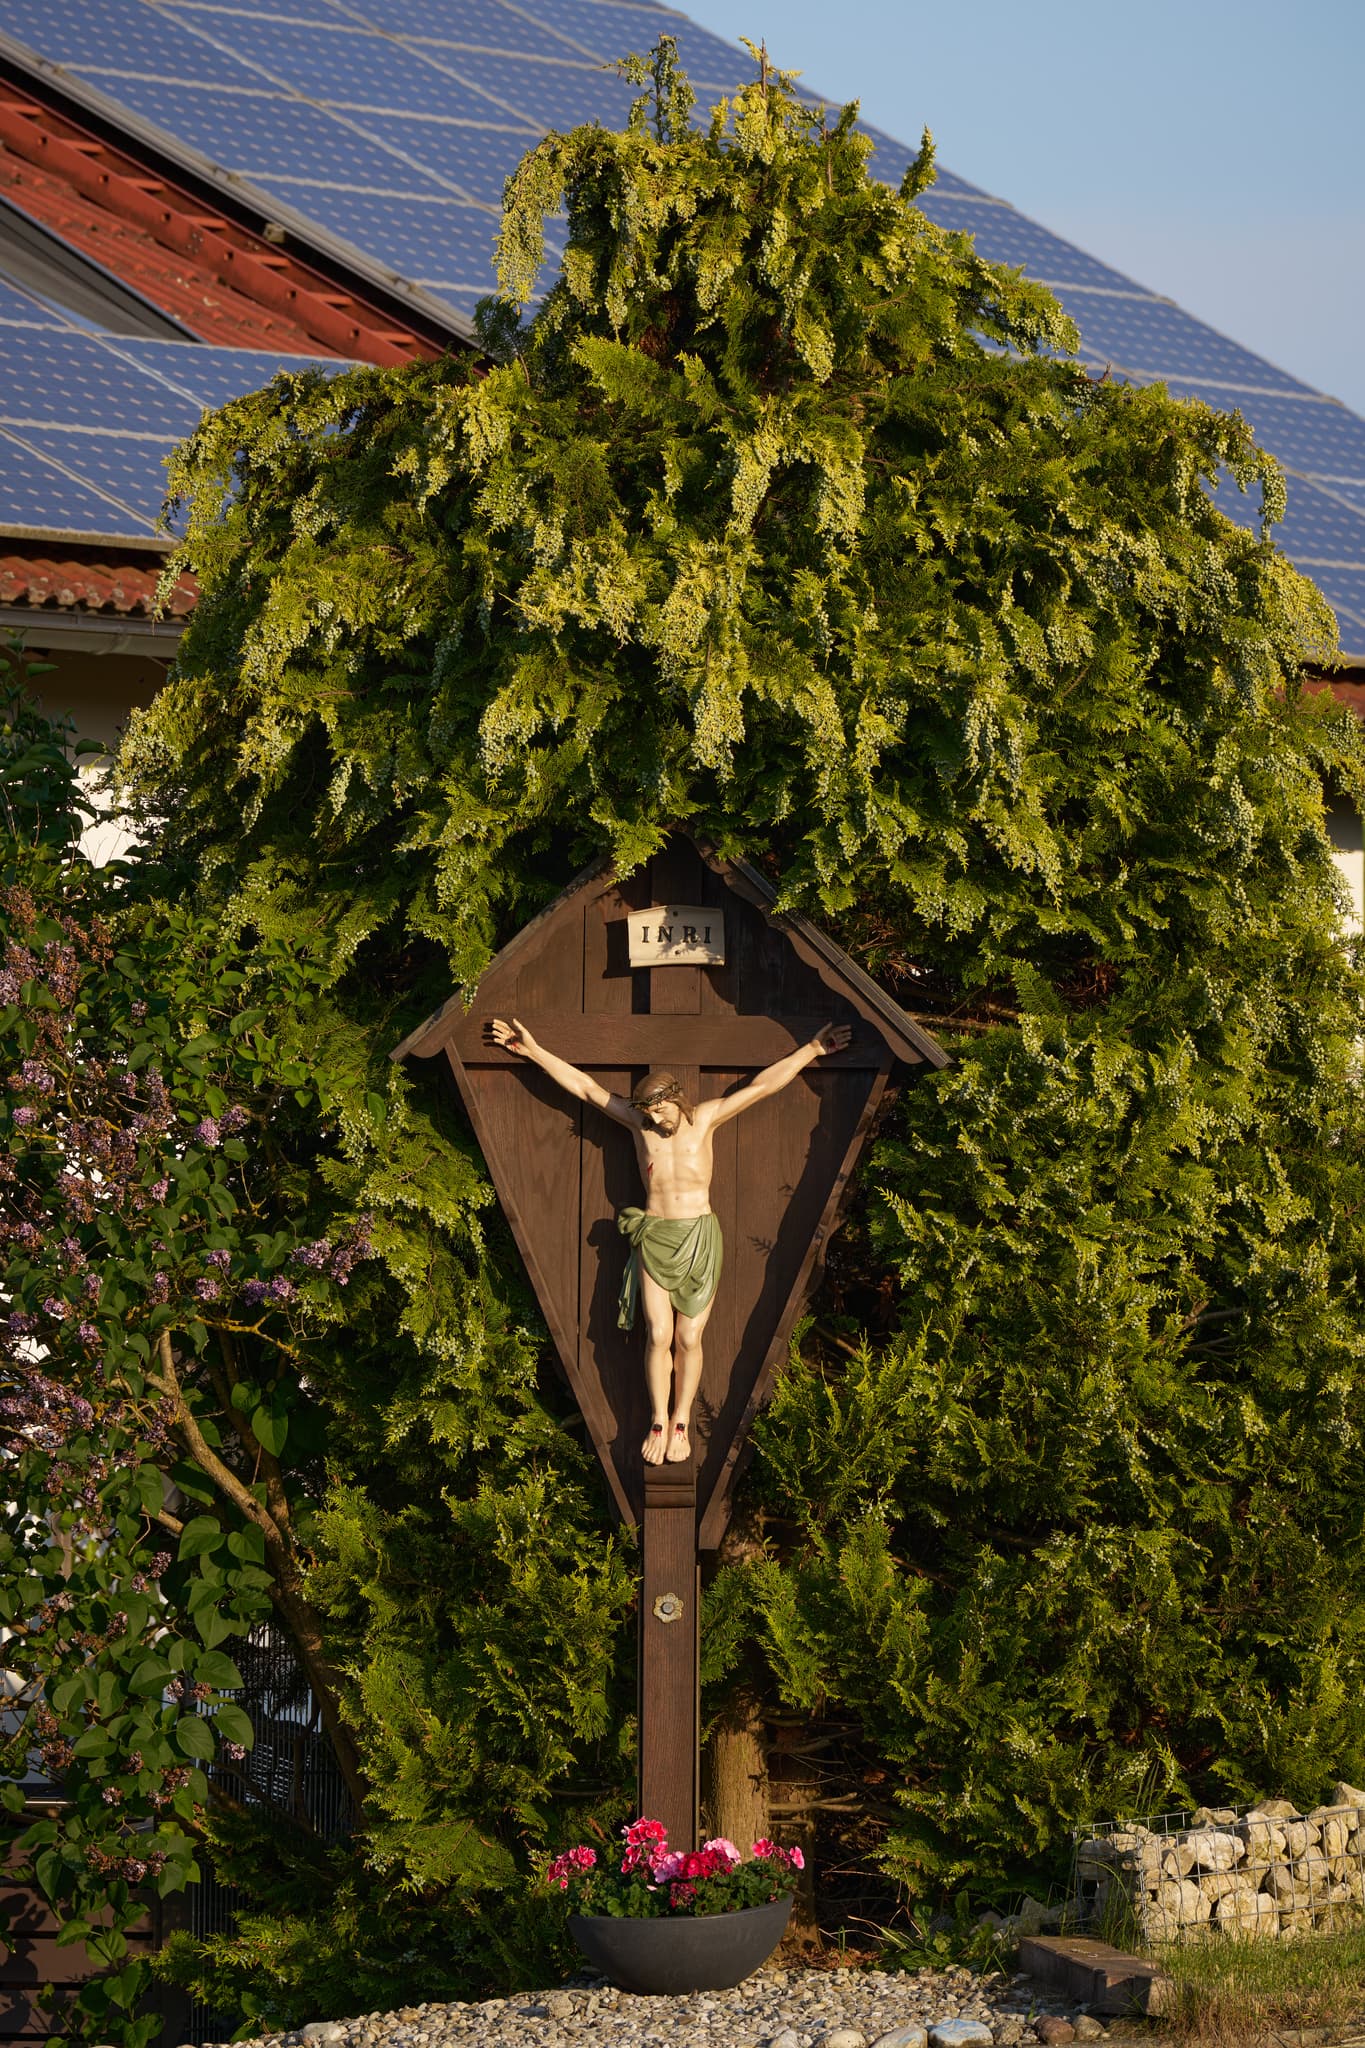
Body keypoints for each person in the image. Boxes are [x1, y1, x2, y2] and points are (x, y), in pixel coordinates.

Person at [486, 1015, 852, 1464]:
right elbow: (585, 1088)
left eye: (660, 1111)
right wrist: (533, 1050)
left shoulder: (707, 1119)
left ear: (675, 1100)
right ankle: (658, 1418)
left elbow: (762, 1087)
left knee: (690, 1338)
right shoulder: (640, 1127)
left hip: (699, 1236)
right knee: (659, 1334)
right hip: (656, 1236)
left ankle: (681, 1422)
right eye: (648, 1115)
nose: (656, 1121)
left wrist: (812, 1050)